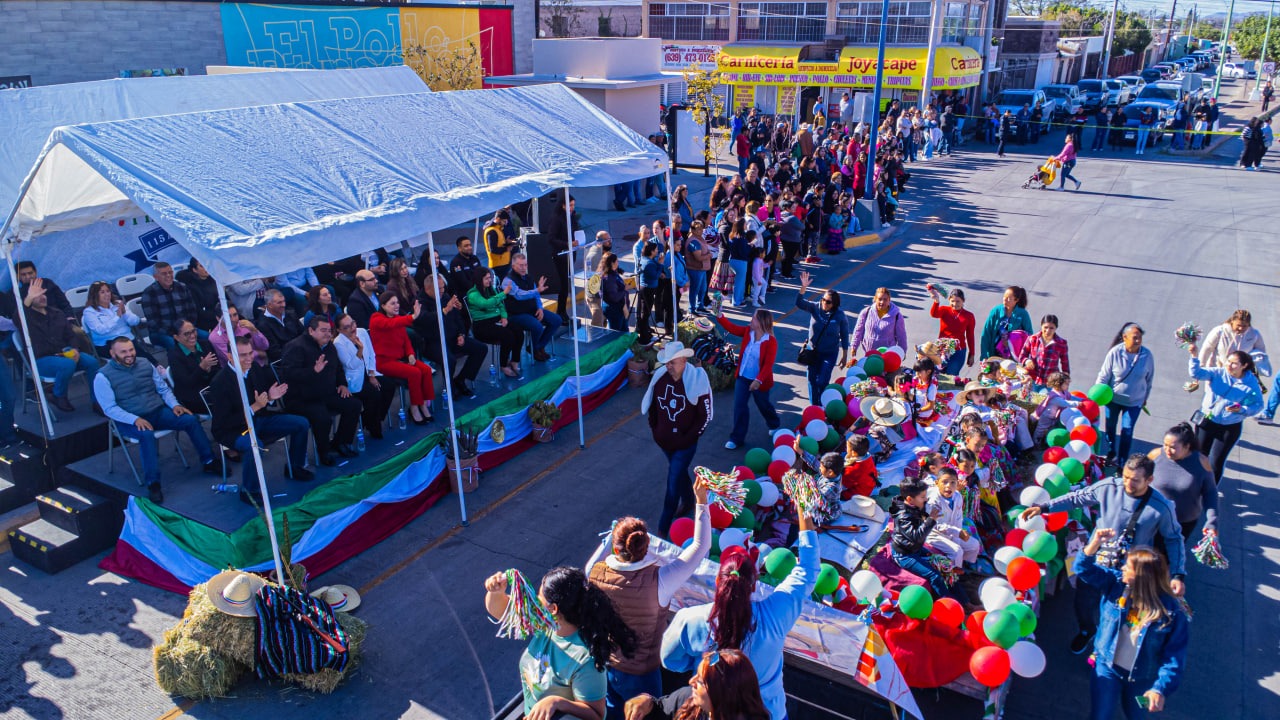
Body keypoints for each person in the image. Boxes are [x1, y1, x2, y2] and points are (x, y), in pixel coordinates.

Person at [1021, 454, 1185, 654]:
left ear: (1149, 480)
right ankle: (1087, 630)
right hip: (1097, 562)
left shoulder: (1162, 507)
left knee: (1119, 611)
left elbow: (1174, 539)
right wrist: (1045, 507)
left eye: (1135, 480)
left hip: (1129, 571)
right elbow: (1077, 498)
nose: (1127, 483)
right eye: (1125, 477)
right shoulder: (1109, 487)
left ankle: (1108, 646)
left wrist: (1177, 574)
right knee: (1083, 601)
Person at [662, 509, 817, 720]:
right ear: (753, 587)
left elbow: (670, 661)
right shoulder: (775, 616)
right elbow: (808, 570)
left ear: (718, 582)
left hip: (711, 710)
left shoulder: (691, 619)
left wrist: (706, 667)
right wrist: (804, 512)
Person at [585, 488, 713, 720]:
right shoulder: (660, 580)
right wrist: (701, 502)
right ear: (646, 547)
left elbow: (601, 554)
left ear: (615, 548)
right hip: (643, 675)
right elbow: (700, 547)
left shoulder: (594, 571)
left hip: (607, 666)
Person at [484, 566, 637, 720]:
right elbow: (500, 611)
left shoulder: (585, 660)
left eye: (539, 597)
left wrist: (557, 702)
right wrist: (496, 592)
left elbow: (595, 715)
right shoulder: (546, 624)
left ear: (553, 609)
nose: (535, 601)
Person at [1076, 527, 1190, 719]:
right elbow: (1082, 569)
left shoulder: (1173, 612)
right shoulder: (1116, 585)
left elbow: (1175, 657)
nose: (1121, 569)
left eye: (1127, 567)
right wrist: (1094, 543)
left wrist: (1159, 689)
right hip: (1107, 666)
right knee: (1100, 716)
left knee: (1136, 716)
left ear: (1142, 577)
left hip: (1141, 678)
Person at [93, 337, 220, 502]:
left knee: (189, 419)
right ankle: (153, 483)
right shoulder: (103, 377)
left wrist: (174, 405)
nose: (129, 354)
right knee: (146, 435)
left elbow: (163, 388)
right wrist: (134, 419)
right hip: (129, 419)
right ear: (112, 353)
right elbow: (109, 409)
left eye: (131, 350)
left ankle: (209, 460)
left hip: (157, 411)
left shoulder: (145, 363)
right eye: (123, 351)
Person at [641, 342, 712, 536]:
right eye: (666, 362)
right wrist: (655, 428)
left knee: (672, 482)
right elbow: (653, 406)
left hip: (685, 445)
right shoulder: (660, 378)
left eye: (672, 362)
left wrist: (688, 438)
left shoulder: (697, 380)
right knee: (678, 472)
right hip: (664, 442)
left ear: (683, 360)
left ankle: (662, 528)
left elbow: (704, 416)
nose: (668, 366)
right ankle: (689, 501)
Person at [279, 316, 363, 464]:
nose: (327, 334)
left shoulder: (330, 347)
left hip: (326, 393)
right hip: (302, 398)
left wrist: (342, 384)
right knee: (323, 418)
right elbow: (288, 375)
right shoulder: (295, 347)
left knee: (354, 405)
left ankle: (340, 442)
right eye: (323, 330)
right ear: (311, 330)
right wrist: (313, 371)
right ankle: (323, 453)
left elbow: (337, 368)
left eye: (329, 331)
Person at [1186, 342, 1263, 483]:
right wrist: (1194, 356)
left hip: (1229, 427)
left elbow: (1258, 404)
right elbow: (1196, 373)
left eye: (1234, 363)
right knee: (1199, 456)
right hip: (1207, 421)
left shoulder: (1251, 384)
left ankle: (1210, 492)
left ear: (1244, 366)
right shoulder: (1217, 373)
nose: (1229, 365)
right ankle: (1193, 486)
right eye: (1228, 361)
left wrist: (1242, 409)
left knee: (1215, 462)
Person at [624, 649, 769, 720]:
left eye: (700, 681)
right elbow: (659, 709)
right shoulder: (688, 700)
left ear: (720, 693)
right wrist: (646, 702)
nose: (691, 681)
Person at [21, 285, 99, 412]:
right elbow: (19, 314)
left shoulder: (56, 313)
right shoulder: (26, 318)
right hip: (41, 359)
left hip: (63, 353)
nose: (42, 297)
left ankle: (97, 401)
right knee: (67, 365)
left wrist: (75, 349)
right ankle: (58, 395)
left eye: (43, 294)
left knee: (92, 362)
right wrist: (29, 298)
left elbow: (70, 334)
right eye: (37, 295)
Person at [891, 478, 970, 603]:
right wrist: (931, 520)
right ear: (910, 499)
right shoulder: (903, 516)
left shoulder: (916, 505)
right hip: (905, 554)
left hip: (915, 547)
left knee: (945, 566)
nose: (926, 499)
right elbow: (917, 536)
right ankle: (948, 605)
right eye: (923, 497)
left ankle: (966, 602)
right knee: (935, 576)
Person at [718, 309, 780, 451]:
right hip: (743, 377)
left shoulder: (771, 342)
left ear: (761, 323)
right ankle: (736, 438)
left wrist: (758, 380)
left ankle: (774, 423)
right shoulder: (747, 331)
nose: (751, 320)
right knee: (739, 406)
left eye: (754, 318)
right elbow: (731, 328)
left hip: (760, 381)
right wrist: (719, 315)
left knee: (763, 405)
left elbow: (768, 365)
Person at [369, 293, 434, 425]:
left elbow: (406, 341)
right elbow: (390, 324)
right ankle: (414, 407)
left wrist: (410, 354)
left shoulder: (397, 318)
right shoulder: (376, 319)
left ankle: (423, 404)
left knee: (426, 369)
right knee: (414, 372)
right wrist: (413, 317)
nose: (397, 305)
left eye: (397, 302)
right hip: (384, 362)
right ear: (383, 306)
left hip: (401, 358)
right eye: (392, 303)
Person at [1096, 323, 1155, 465]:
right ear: (1124, 337)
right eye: (1135, 338)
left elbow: (1149, 379)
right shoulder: (1115, 353)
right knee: (1110, 428)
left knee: (1127, 431)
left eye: (1140, 337)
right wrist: (1097, 393)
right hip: (1113, 400)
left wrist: (1145, 398)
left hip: (1134, 402)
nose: (1138, 341)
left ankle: (1122, 463)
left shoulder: (1146, 356)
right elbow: (1104, 376)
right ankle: (1111, 452)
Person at [1148, 422, 1218, 541]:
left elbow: (1210, 493)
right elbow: (1140, 477)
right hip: (1154, 517)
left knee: (1171, 555)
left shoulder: (1202, 462)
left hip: (1182, 522)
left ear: (1187, 446)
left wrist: (1212, 521)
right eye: (1165, 445)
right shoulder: (1156, 455)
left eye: (1173, 447)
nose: (1167, 450)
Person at [418, 272, 485, 396]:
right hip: (433, 342)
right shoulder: (420, 303)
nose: (443, 290)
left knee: (481, 348)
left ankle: (461, 379)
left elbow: (457, 318)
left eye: (443, 287)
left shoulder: (445, 296)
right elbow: (425, 320)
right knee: (450, 360)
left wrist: (461, 334)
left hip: (453, 337)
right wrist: (444, 311)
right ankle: (449, 387)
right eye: (439, 288)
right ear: (428, 289)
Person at [333, 312, 394, 440]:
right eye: (347, 327)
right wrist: (360, 350)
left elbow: (371, 353)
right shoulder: (338, 343)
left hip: (368, 373)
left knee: (389, 385)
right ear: (339, 330)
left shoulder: (361, 332)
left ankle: (369, 418)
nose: (353, 328)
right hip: (354, 379)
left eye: (353, 323)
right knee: (374, 393)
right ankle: (374, 426)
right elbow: (351, 365)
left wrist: (372, 374)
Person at [796, 271, 850, 405]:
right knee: (812, 380)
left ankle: (822, 404)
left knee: (822, 381)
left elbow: (844, 335)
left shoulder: (840, 316)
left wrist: (844, 355)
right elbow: (799, 303)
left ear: (834, 304)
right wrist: (803, 287)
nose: (824, 302)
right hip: (813, 351)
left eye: (828, 302)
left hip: (829, 354)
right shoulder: (815, 307)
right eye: (823, 299)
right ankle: (814, 406)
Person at [502, 253, 562, 362]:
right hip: (516, 314)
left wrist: (540, 308)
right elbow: (519, 295)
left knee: (557, 320)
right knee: (537, 326)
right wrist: (537, 290)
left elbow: (536, 296)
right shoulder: (508, 281)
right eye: (521, 265)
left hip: (531, 310)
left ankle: (538, 346)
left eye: (525, 265)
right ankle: (535, 349)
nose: (524, 268)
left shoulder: (529, 277)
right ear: (513, 266)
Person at [467, 268, 525, 378]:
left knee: (518, 331)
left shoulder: (490, 290)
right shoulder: (473, 294)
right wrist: (504, 293)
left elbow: (500, 305)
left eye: (490, 278)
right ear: (479, 280)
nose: (490, 280)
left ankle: (515, 360)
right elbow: (486, 304)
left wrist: (504, 317)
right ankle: (503, 365)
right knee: (507, 335)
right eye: (487, 278)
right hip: (482, 325)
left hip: (496, 319)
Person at [80, 281, 156, 363]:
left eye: (108, 291)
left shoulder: (118, 304)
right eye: (102, 292)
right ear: (95, 295)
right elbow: (100, 330)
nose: (107, 294)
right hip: (107, 344)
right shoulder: (89, 312)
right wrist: (117, 317)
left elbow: (135, 322)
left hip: (127, 339)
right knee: (131, 356)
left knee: (142, 357)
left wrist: (125, 313)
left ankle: (158, 369)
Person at [925, 467, 981, 570]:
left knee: (974, 545)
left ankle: (966, 568)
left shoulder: (957, 496)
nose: (948, 486)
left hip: (952, 532)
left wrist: (958, 536)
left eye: (953, 483)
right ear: (937, 483)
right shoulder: (933, 501)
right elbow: (936, 525)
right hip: (934, 535)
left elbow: (958, 519)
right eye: (944, 482)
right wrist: (957, 533)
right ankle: (953, 576)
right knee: (957, 552)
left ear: (957, 483)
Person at [139, 262, 202, 351]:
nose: (168, 275)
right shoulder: (149, 293)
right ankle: (183, 364)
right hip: (162, 333)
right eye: (164, 274)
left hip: (185, 329)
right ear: (156, 277)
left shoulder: (182, 287)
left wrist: (188, 330)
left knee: (208, 337)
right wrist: (176, 334)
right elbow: (153, 322)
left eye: (170, 272)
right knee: (176, 346)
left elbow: (192, 311)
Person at [166, 319, 220, 412]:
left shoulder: (205, 344)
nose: (192, 336)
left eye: (193, 331)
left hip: (211, 387)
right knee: (225, 403)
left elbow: (218, 368)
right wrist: (201, 368)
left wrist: (209, 371)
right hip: (193, 396)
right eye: (187, 334)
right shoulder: (174, 356)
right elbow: (187, 383)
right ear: (176, 337)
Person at [927, 285, 976, 374]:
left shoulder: (969, 316)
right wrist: (936, 301)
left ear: (963, 301)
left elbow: (970, 336)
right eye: (952, 301)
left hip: (958, 351)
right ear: (949, 299)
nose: (955, 304)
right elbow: (934, 314)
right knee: (938, 374)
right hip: (941, 349)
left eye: (958, 301)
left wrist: (972, 354)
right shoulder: (944, 310)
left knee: (951, 375)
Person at [849, 287, 907, 358]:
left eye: (885, 300)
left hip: (887, 355)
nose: (882, 302)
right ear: (875, 299)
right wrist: (854, 346)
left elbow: (901, 336)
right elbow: (858, 331)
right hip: (869, 353)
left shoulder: (897, 316)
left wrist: (902, 352)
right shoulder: (866, 312)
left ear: (889, 300)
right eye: (880, 299)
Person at [979, 285, 1033, 360]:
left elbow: (1029, 335)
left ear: (1016, 300)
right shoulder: (996, 311)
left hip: (1013, 358)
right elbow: (986, 333)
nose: (1005, 299)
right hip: (993, 354)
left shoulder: (1023, 314)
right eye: (1004, 296)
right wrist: (984, 355)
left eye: (1008, 298)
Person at [1017, 314, 1070, 387]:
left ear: (1056, 328)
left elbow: (1065, 365)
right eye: (1045, 327)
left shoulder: (1061, 343)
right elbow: (1022, 356)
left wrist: (1065, 380)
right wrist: (1027, 361)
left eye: (1051, 328)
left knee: (1045, 398)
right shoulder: (1032, 339)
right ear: (1041, 326)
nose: (1048, 331)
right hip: (1031, 379)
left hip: (1050, 382)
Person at [255, 289, 303, 362]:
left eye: (284, 301)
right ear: (269, 305)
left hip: (302, 350)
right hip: (287, 360)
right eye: (279, 303)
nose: (283, 305)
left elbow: (303, 333)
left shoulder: (290, 313)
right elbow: (274, 352)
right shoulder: (263, 325)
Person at [175, 257, 221, 331]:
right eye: (202, 266)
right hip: (205, 323)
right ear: (195, 270)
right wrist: (219, 316)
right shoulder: (191, 287)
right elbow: (199, 312)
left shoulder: (214, 281)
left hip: (220, 317)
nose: (206, 268)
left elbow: (225, 299)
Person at [598, 253, 630, 333]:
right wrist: (624, 290)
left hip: (618, 308)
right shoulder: (609, 278)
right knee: (615, 334)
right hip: (615, 310)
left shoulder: (612, 274)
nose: (618, 263)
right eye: (617, 261)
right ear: (612, 263)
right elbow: (614, 297)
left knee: (624, 331)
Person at [482, 209, 515, 279]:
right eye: (504, 221)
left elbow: (498, 244)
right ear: (497, 219)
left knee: (500, 284)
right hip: (499, 264)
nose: (505, 223)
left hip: (502, 263)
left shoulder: (497, 229)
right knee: (501, 285)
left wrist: (506, 243)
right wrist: (506, 248)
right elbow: (493, 250)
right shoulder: (492, 231)